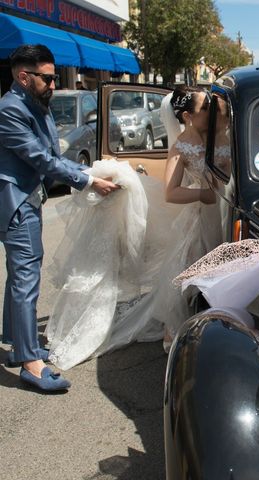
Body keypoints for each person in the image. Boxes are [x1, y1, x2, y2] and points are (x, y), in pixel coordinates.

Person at [43, 85, 223, 369]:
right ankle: (175, 333)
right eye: (205, 108)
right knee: (188, 276)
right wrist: (203, 194)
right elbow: (171, 192)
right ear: (188, 116)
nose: (212, 112)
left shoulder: (217, 135)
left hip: (223, 212)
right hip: (200, 215)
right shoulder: (181, 147)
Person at [0, 44, 119, 391]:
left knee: (20, 277)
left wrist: (89, 171)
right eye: (48, 78)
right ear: (24, 77)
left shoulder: (35, 104)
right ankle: (30, 365)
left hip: (28, 198)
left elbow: (53, 153)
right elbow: (41, 159)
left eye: (54, 78)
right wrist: (87, 179)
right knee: (25, 280)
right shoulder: (10, 109)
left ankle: (17, 344)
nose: (54, 85)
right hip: (17, 202)